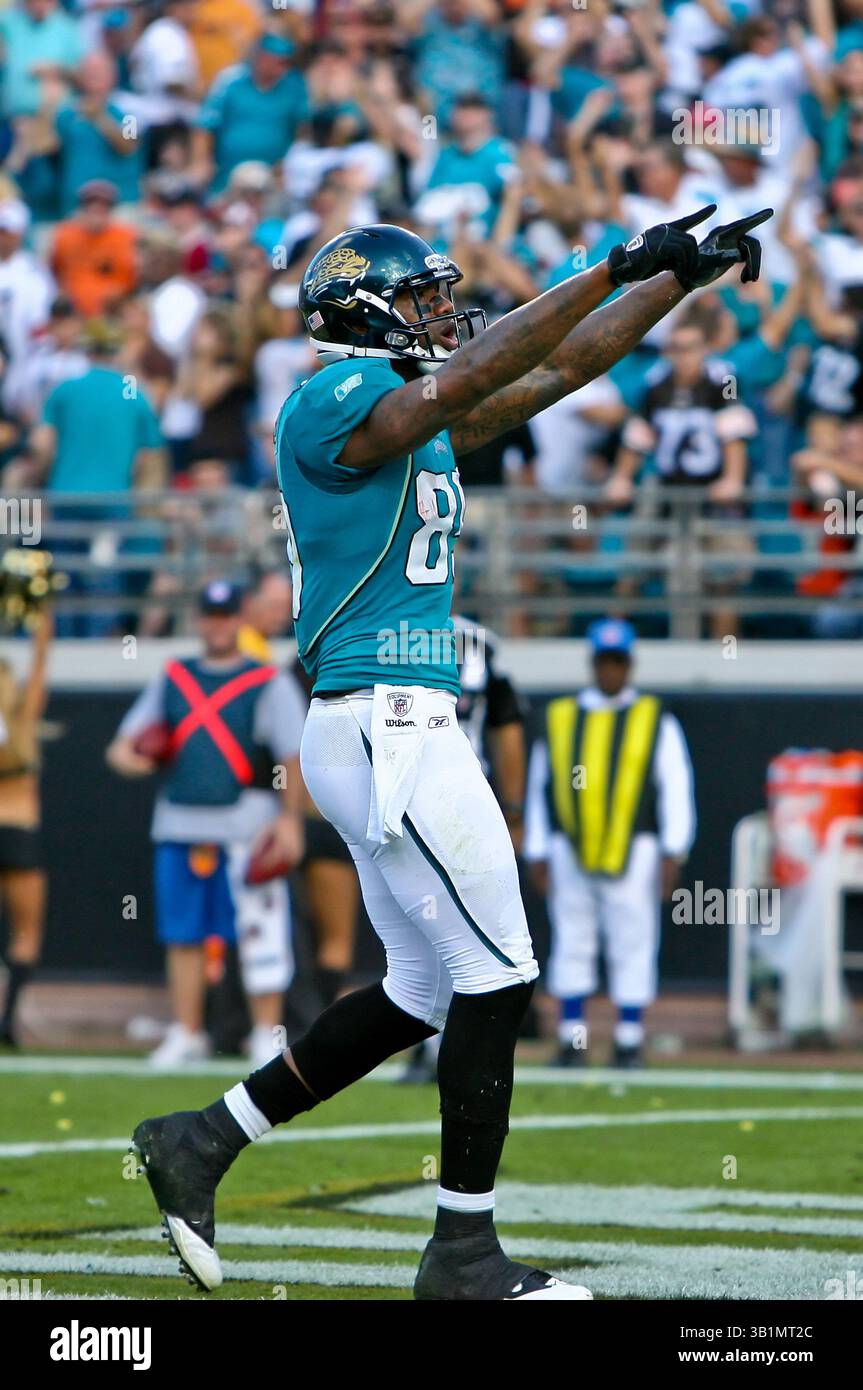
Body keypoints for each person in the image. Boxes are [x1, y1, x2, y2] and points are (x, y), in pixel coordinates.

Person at [131, 205, 772, 1300]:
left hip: (392, 721)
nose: (438, 313)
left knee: (423, 988)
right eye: (418, 298)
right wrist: (611, 260)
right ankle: (462, 1252)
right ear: (363, 316)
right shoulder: (331, 396)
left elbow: (550, 371)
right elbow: (474, 373)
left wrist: (671, 286)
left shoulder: (406, 410)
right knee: (503, 973)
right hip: (388, 720)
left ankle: (202, 1137)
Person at [107, 579, 306, 1068]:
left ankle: (266, 1031)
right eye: (210, 615)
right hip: (180, 822)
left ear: (242, 618)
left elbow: (293, 756)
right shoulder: (174, 677)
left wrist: (290, 821)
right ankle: (187, 1030)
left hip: (247, 826)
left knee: (261, 934)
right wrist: (133, 760)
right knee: (183, 935)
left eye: (227, 614)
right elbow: (122, 745)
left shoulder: (268, 680)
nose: (218, 624)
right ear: (199, 620)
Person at [524, 619, 696, 1070]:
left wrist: (673, 849)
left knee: (632, 940)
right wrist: (538, 848)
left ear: (630, 664)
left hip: (634, 847)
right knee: (572, 940)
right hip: (570, 847)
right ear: (593, 662)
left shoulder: (653, 717)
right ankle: (572, 1039)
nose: (611, 670)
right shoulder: (562, 717)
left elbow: (675, 784)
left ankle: (628, 1039)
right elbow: (542, 784)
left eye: (619, 661)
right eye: (604, 660)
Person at [0, 605, 52, 1047]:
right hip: (20, 831)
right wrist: (43, 607)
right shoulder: (24, 719)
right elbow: (41, 661)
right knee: (26, 935)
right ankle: (8, 1020)